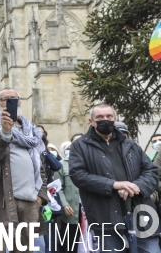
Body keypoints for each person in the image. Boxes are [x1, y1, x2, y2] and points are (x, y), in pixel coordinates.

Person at [69, 104, 160, 252]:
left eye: (109, 117)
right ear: (91, 121)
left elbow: (151, 171)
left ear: (115, 119)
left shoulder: (130, 144)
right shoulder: (80, 146)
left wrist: (137, 186)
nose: (105, 120)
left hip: (141, 211)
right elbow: (78, 175)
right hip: (104, 215)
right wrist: (113, 184)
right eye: (100, 117)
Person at [0, 87, 48, 253]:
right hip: (0, 200)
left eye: (13, 98)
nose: (9, 102)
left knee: (24, 249)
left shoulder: (31, 130)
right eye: (4, 99)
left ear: (19, 102)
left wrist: (41, 195)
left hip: (29, 201)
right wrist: (5, 133)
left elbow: (39, 165)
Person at [52, 140, 80, 253]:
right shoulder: (61, 165)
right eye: (68, 148)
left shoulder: (86, 164)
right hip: (70, 211)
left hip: (86, 211)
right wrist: (65, 204)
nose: (71, 150)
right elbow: (59, 189)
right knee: (69, 245)